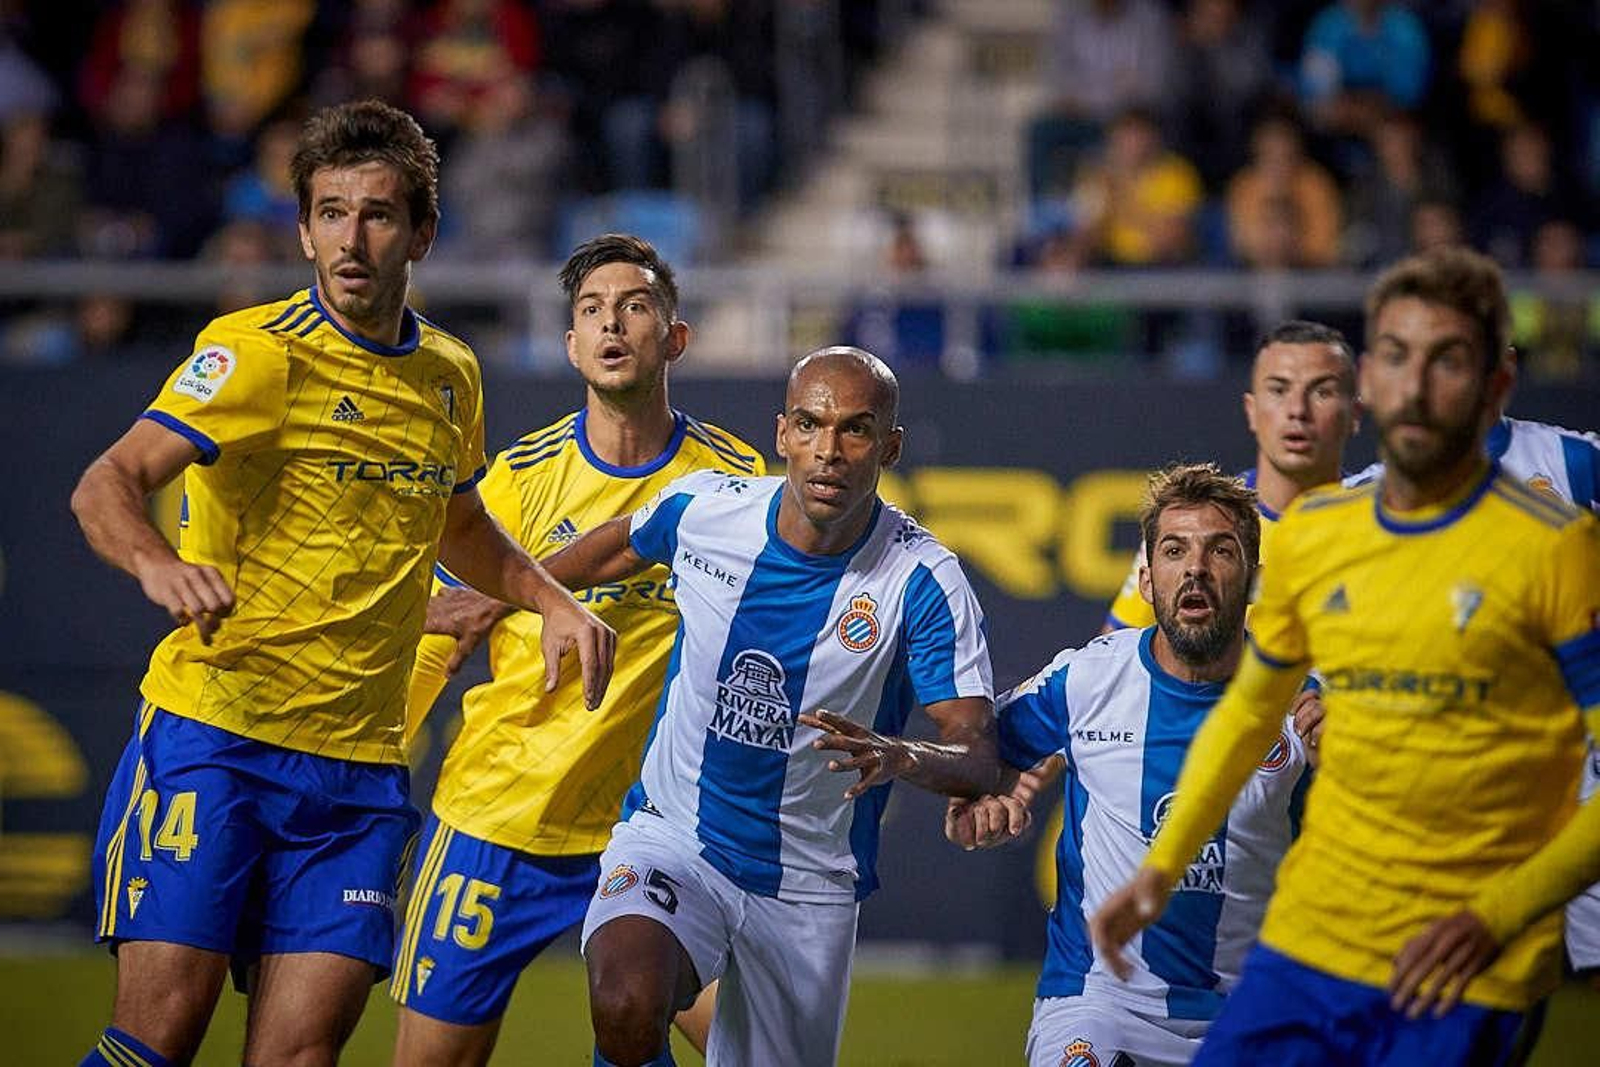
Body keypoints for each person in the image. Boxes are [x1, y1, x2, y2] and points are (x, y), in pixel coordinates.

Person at [70, 100, 615, 1067]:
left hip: (360, 772)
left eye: (376, 215)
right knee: (154, 1043)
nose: (350, 239)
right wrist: (156, 561)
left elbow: (459, 525)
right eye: (330, 212)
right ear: (303, 228)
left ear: (422, 234)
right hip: (218, 739)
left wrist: (548, 597)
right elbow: (107, 481)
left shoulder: (450, 375)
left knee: (300, 1056)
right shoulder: (252, 352)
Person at [1091, 246, 1600, 1065]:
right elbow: (1252, 709)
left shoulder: (1558, 549)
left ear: (1495, 387)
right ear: (1372, 383)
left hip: (1464, 967)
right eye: (1396, 356)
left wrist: (1498, 915)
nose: (1417, 385)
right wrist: (1161, 868)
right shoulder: (1313, 538)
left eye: (1449, 360)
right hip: (1308, 949)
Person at [539, 346, 1000, 1066]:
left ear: (891, 446)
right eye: (811, 425)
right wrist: (509, 596)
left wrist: (902, 753)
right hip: (679, 835)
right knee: (625, 1001)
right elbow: (616, 546)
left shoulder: (923, 578)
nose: (828, 451)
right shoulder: (708, 509)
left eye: (855, 430)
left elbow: (975, 751)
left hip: (810, 881)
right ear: (782, 432)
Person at [388, 232, 763, 1065]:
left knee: (752, 1047)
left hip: (652, 829)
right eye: (591, 310)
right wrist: (377, 770)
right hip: (500, 814)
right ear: (570, 345)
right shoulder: (515, 483)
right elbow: (437, 639)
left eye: (634, 306)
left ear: (676, 337)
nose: (611, 324)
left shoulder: (732, 478)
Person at [949, 463, 1309, 1067]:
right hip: (1099, 1004)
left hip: (1255, 1012)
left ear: (1253, 580)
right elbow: (982, 751)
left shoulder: (1307, 702)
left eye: (1220, 551)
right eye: (1174, 551)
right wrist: (979, 794)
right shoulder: (1089, 677)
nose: (1194, 569)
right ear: (1147, 581)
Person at [1103, 320, 1362, 634]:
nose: (1297, 410)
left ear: (1355, 415)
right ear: (1251, 410)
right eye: (1279, 390)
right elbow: (1114, 654)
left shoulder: (1382, 526)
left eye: (1322, 392)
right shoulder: (1193, 525)